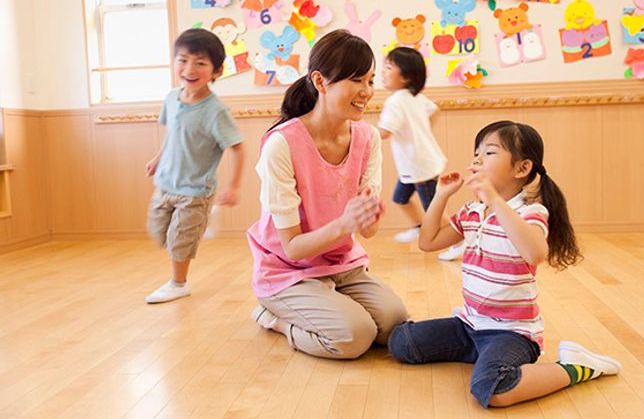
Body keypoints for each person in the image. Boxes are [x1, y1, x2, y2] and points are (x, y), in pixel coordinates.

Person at [388, 120, 620, 407]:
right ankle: (481, 353)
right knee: (402, 343)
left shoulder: (530, 212)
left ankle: (574, 367)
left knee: (493, 388)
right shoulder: (472, 211)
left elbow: (535, 253)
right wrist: (441, 195)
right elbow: (428, 242)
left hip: (511, 333)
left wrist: (494, 199)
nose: (477, 158)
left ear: (522, 168)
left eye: (489, 152)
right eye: (477, 152)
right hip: (469, 324)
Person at [247, 29, 407, 359]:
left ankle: (329, 300)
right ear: (320, 82)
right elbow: (291, 248)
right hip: (287, 269)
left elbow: (368, 231)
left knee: (394, 323)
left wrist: (367, 219)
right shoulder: (282, 144)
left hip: (341, 263)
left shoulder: (368, 137)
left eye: (371, 80)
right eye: (356, 81)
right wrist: (345, 224)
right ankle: (275, 317)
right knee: (354, 336)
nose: (367, 92)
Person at [144, 28, 245, 304]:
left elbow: (237, 147)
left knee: (179, 241)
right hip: (165, 182)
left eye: (200, 63)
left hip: (196, 190)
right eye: (183, 59)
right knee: (157, 232)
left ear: (216, 71)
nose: (189, 68)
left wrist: (234, 187)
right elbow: (173, 134)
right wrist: (158, 157)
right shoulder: (171, 98)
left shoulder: (216, 112)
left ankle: (179, 283)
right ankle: (192, 233)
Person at [377, 47, 462, 261]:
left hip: (419, 166)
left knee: (433, 207)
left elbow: (385, 132)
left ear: (405, 77)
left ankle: (458, 241)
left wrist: (358, 134)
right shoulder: (414, 97)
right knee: (400, 198)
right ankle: (418, 226)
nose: (382, 72)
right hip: (417, 164)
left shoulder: (396, 101)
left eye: (388, 68)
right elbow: (435, 110)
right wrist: (422, 133)